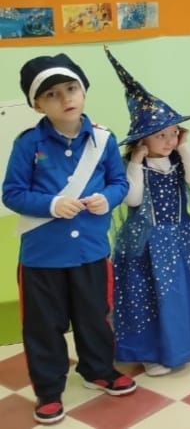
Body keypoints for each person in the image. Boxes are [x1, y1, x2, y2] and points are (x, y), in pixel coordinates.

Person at [3, 54, 136, 425]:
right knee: (43, 326)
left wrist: (107, 198)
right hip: (43, 256)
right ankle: (48, 389)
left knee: (95, 316)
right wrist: (51, 204)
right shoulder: (28, 143)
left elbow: (119, 182)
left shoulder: (104, 139)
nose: (65, 99)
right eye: (52, 94)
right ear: (37, 105)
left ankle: (99, 370)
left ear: (84, 91)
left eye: (71, 88)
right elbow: (12, 193)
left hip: (91, 250)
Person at [105, 47, 190, 377]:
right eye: (161, 135)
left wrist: (184, 146)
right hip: (146, 243)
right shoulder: (135, 166)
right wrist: (136, 162)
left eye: (173, 132)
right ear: (142, 139)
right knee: (150, 296)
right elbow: (132, 200)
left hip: (180, 236)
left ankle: (188, 341)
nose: (169, 140)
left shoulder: (177, 160)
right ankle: (152, 353)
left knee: (184, 290)